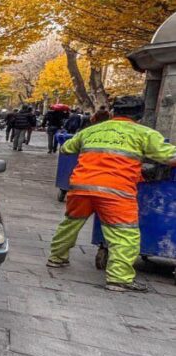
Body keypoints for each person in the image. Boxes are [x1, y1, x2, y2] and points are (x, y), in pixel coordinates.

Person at [46, 96, 176, 292]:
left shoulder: (92, 130)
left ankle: (56, 258)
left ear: (113, 113)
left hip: (81, 187)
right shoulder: (145, 134)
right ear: (140, 116)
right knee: (125, 236)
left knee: (70, 224)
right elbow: (170, 157)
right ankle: (119, 279)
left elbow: (66, 148)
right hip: (116, 191)